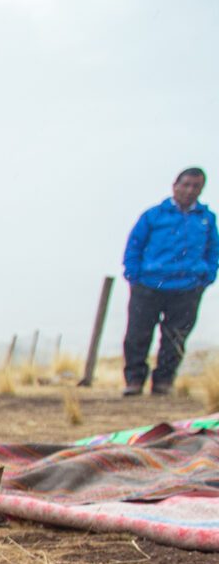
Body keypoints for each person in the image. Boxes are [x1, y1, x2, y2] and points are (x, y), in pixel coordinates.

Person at [121, 166, 219, 396]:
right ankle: (134, 381)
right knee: (138, 333)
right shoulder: (153, 215)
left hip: (187, 288)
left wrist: (206, 275)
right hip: (148, 285)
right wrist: (134, 275)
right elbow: (134, 245)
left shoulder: (206, 219)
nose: (189, 190)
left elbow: (213, 250)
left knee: (176, 337)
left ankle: (164, 383)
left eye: (196, 186)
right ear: (175, 185)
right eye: (185, 184)